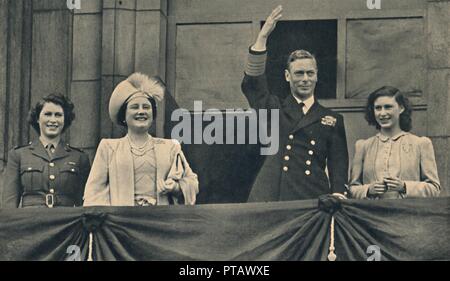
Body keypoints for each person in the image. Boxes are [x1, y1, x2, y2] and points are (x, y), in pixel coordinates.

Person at [241, 6, 348, 202]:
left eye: (310, 73)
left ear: (317, 76)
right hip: (273, 195)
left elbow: (338, 165)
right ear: (287, 76)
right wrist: (262, 38)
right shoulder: (273, 107)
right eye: (299, 73)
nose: (305, 79)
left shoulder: (332, 119)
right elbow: (253, 85)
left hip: (312, 196)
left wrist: (338, 196)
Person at [83, 73, 199, 206]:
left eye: (146, 107)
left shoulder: (170, 147)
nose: (141, 111)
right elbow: (94, 192)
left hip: (160, 221)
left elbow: (192, 183)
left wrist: (175, 188)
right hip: (122, 223)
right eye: (134, 107)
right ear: (124, 115)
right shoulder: (109, 148)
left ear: (152, 113)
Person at [349, 86, 441, 199]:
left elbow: (434, 189)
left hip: (407, 214)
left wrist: (405, 186)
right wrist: (368, 190)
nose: (382, 113)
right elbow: (352, 189)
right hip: (371, 214)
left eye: (388, 107)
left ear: (401, 108)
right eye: (378, 108)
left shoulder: (421, 144)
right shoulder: (363, 146)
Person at [1, 94, 90, 208]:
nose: (53, 120)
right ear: (38, 118)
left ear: (65, 119)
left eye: (58, 115)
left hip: (66, 223)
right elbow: (9, 204)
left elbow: (83, 204)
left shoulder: (79, 157)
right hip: (32, 223)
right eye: (47, 114)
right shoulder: (19, 155)